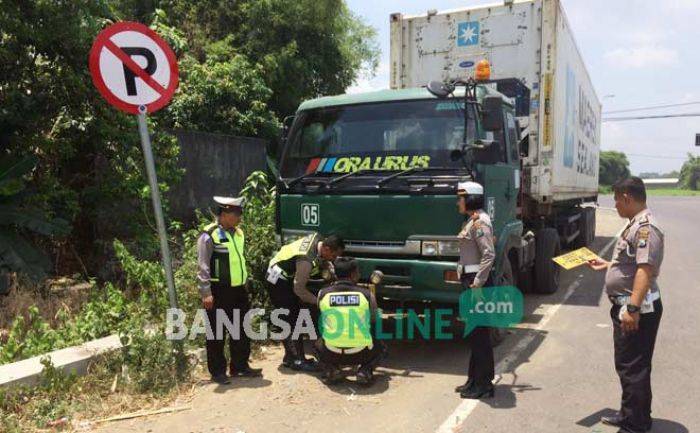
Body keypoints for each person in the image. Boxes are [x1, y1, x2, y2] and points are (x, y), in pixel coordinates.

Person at [588, 177, 664, 433]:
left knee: (634, 367)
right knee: (628, 364)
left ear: (627, 198)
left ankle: (636, 425)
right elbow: (630, 264)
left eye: (617, 200)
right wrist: (608, 265)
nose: (616, 205)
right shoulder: (634, 225)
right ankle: (630, 414)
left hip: (636, 309)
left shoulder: (645, 228)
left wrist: (632, 309)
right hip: (627, 306)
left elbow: (644, 269)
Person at [197, 196, 262, 384]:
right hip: (218, 291)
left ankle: (239, 366)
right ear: (224, 214)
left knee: (242, 329)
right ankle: (218, 372)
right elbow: (203, 267)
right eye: (236, 214)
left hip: (238, 290)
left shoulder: (239, 233)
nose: (239, 218)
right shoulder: (208, 235)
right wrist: (206, 292)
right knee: (217, 333)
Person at [266, 232, 345, 371]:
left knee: (296, 314)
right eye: (333, 256)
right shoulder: (306, 260)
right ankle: (296, 360)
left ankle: (290, 356)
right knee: (290, 317)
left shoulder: (319, 239)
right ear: (326, 249)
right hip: (277, 279)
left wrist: (327, 265)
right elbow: (299, 290)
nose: (334, 259)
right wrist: (319, 302)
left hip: (287, 274)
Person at [453, 181, 496, 399]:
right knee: (474, 333)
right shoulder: (473, 221)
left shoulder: (480, 223)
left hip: (476, 283)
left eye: (460, 198)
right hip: (471, 280)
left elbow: (489, 254)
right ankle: (473, 380)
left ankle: (484, 384)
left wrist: (478, 283)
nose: (458, 202)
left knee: (480, 336)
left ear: (469, 199)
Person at [315, 257, 385, 386]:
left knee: (317, 344)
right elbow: (375, 320)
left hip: (331, 352)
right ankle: (364, 371)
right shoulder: (366, 294)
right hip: (361, 353)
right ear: (354, 274)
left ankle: (333, 370)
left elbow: (321, 318)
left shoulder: (323, 293)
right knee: (381, 347)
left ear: (335, 274)